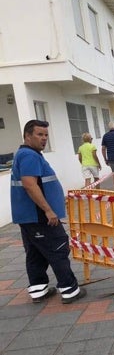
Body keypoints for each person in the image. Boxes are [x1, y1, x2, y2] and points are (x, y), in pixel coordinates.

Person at [10, 119, 86, 304]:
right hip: (39, 216)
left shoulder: (26, 154)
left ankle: (38, 289)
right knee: (58, 248)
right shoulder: (29, 156)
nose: (44, 139)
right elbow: (30, 185)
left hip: (29, 217)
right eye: (39, 134)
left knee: (35, 252)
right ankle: (69, 289)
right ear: (27, 136)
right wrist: (49, 210)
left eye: (46, 135)